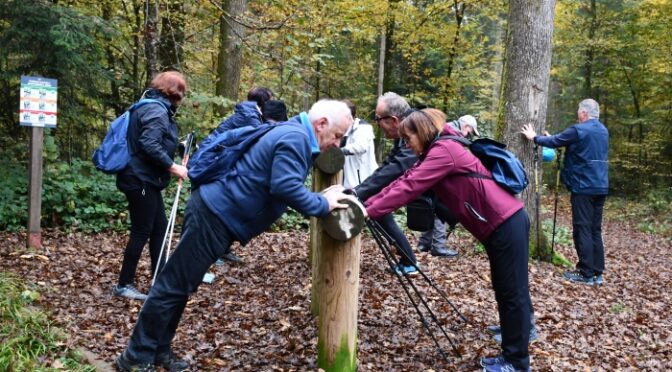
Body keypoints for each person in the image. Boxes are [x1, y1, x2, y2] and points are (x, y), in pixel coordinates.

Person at [115, 99, 353, 372]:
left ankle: (158, 350)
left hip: (217, 215)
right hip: (214, 215)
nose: (336, 143)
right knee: (173, 285)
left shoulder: (292, 133)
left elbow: (278, 181)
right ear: (321, 124)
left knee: (181, 286)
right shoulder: (296, 137)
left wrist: (320, 197)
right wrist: (322, 205)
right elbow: (284, 186)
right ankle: (135, 357)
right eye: (336, 135)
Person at [364, 108, 534, 372]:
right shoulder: (438, 148)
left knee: (513, 293)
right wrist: (366, 203)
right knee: (506, 289)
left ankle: (516, 361)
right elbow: (405, 179)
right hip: (497, 225)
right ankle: (514, 338)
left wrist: (366, 210)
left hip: (506, 222)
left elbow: (411, 187)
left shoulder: (445, 151)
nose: (407, 145)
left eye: (408, 139)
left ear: (422, 133)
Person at [112, 71, 189, 301]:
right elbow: (148, 143)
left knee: (160, 229)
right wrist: (173, 167)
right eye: (182, 92)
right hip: (140, 179)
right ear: (175, 92)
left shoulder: (150, 105)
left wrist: (177, 152)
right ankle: (124, 285)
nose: (183, 98)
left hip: (145, 179)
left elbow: (156, 142)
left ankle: (161, 279)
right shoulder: (156, 110)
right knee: (142, 231)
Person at [521, 98, 609, 286]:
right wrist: (552, 138)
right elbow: (575, 145)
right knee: (594, 228)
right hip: (601, 185)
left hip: (583, 186)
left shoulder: (579, 129)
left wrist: (534, 137)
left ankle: (585, 273)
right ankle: (597, 272)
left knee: (582, 228)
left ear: (584, 113)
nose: (578, 115)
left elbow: (554, 141)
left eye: (579, 111)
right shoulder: (603, 131)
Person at [416, 114, 480, 257]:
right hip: (440, 177)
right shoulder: (451, 135)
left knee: (432, 208)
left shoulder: (443, 130)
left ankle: (424, 243)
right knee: (442, 211)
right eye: (470, 132)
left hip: (430, 175)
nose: (469, 136)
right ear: (466, 126)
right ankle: (438, 246)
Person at [340, 99, 378, 188]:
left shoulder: (362, 128)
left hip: (364, 183)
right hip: (350, 184)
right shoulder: (345, 130)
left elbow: (360, 146)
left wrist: (338, 151)